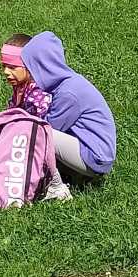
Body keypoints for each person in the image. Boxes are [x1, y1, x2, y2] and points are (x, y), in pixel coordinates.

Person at [22, 31, 116, 183]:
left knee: (39, 133)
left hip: (95, 158)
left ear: (43, 65)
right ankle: (71, 175)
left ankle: (53, 184)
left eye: (31, 67)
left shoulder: (69, 93)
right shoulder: (66, 84)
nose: (30, 73)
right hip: (89, 149)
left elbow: (49, 127)